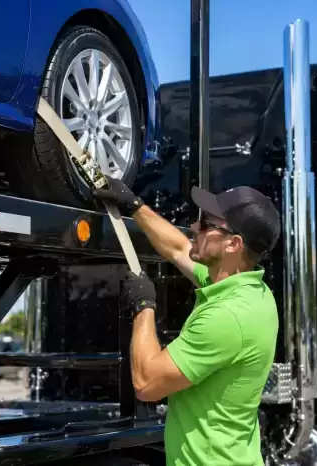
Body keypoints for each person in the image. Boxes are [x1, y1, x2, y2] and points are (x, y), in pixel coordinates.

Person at [93, 177, 281, 466]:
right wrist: (135, 206)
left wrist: (144, 307)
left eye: (206, 224)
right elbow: (179, 248)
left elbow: (146, 382)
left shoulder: (229, 316)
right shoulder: (250, 289)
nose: (194, 227)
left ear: (233, 244)